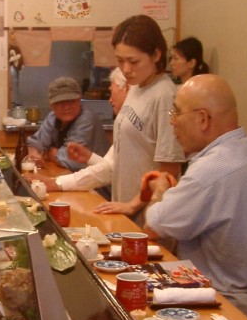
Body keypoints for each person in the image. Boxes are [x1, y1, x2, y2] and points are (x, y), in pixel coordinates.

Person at [142, 74, 247, 320]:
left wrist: (160, 190)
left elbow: (155, 225)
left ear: (203, 119)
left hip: (225, 304)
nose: (172, 122)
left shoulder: (210, 170)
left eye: (177, 112)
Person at [26, 15, 184, 226]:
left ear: (156, 54)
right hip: (123, 209)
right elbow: (113, 164)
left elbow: (169, 170)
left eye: (133, 61)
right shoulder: (136, 88)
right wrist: (58, 183)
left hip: (149, 216)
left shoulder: (164, 94)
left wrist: (133, 204)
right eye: (120, 61)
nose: (126, 69)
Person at [25, 77, 110, 172]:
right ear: (51, 105)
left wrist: (47, 153)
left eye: (71, 101)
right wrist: (35, 152)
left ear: (79, 99)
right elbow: (35, 144)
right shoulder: (53, 117)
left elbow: (69, 158)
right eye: (60, 102)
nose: (66, 107)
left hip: (97, 183)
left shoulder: (87, 118)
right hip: (72, 178)